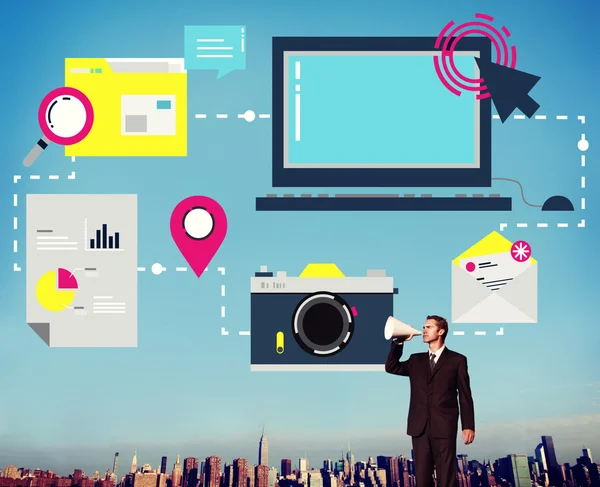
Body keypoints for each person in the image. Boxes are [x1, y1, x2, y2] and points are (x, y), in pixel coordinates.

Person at [384, 315, 475, 487]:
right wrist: (399, 342)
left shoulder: (457, 360)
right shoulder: (415, 360)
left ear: (441, 331)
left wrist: (468, 425)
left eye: (429, 327)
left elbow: (465, 395)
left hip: (444, 426)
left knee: (446, 477)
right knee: (422, 478)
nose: (424, 330)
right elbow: (391, 367)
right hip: (419, 427)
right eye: (424, 327)